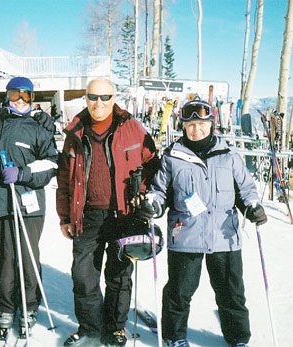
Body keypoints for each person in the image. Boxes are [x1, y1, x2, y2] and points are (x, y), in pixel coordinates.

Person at [138, 100, 267, 347]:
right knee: (179, 293)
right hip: (186, 236)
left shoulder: (228, 156)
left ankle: (238, 338)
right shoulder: (172, 158)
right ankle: (175, 337)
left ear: (212, 125)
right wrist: (152, 204)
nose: (196, 129)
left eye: (202, 124)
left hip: (224, 236)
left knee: (231, 293)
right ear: (183, 126)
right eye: (191, 125)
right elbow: (159, 191)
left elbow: (246, 190)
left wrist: (253, 207)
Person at [56, 78, 160, 346]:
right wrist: (65, 217)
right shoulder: (75, 132)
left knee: (119, 276)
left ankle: (115, 327)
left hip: (122, 216)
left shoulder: (132, 128)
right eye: (93, 97)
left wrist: (143, 193)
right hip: (86, 215)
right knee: (83, 275)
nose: (99, 103)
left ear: (114, 98)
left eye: (105, 97)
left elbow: (152, 164)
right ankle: (90, 328)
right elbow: (65, 179)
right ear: (86, 99)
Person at [0, 76, 58, 340]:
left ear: (33, 99)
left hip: (28, 204)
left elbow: (51, 164)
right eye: (15, 95)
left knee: (26, 257)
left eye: (26, 95)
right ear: (6, 95)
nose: (21, 101)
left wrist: (23, 173)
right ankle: (6, 307)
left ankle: (29, 306)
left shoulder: (38, 127)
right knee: (5, 259)